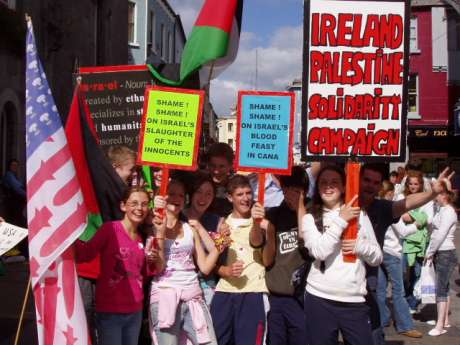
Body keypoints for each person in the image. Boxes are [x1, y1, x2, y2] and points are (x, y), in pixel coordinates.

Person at [358, 163, 454, 345]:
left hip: (366, 282)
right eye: (366, 180)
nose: (370, 185)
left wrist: (433, 194)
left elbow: (407, 203)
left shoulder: (382, 207)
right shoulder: (345, 202)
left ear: (380, 187)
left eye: (375, 182)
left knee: (373, 334)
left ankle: (399, 324)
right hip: (337, 289)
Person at [302, 165, 382, 345]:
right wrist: (341, 220)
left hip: (354, 300)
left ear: (344, 187)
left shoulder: (359, 214)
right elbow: (319, 251)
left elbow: (377, 257)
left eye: (334, 182)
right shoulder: (309, 217)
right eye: (323, 182)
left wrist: (360, 246)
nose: (328, 186)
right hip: (319, 298)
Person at [75, 187, 163, 345]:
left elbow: (143, 273)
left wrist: (152, 260)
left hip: (135, 311)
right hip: (110, 311)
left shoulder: (143, 238)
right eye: (134, 203)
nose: (139, 208)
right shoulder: (110, 229)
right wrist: (66, 234)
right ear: (123, 206)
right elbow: (85, 254)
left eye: (144, 204)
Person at [149, 179, 219, 344]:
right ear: (162, 198)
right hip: (164, 298)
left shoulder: (190, 228)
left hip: (193, 298)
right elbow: (158, 268)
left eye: (181, 195)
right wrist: (159, 232)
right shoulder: (152, 224)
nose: (176, 198)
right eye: (171, 194)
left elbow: (205, 267)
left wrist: (220, 244)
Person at [210, 175, 270, 345]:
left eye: (248, 193)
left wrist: (258, 224)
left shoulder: (261, 221)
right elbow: (211, 261)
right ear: (230, 197)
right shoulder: (221, 223)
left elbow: (261, 249)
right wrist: (225, 270)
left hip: (253, 292)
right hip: (224, 292)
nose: (246, 198)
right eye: (240, 194)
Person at [262, 166, 309, 345]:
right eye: (287, 190)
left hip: (301, 298)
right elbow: (266, 257)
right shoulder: (273, 214)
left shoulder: (311, 212)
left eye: (297, 191)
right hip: (276, 295)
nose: (291, 196)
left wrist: (300, 207)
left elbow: (308, 246)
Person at [376, 181, 423, 338]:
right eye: (392, 193)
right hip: (392, 252)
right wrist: (417, 224)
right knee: (399, 291)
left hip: (380, 251)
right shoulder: (389, 208)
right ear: (388, 193)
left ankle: (382, 319)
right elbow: (402, 231)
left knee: (381, 290)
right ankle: (405, 325)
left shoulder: (376, 206)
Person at [182, 172, 224, 307]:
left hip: (206, 284)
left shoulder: (218, 220)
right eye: (199, 192)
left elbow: (218, 250)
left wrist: (200, 227)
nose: (203, 198)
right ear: (191, 194)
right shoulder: (179, 216)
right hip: (181, 282)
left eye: (208, 194)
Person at [425, 180, 458, 336]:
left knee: (441, 290)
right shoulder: (442, 209)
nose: (434, 196)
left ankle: (440, 325)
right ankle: (443, 320)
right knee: (443, 288)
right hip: (443, 252)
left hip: (445, 252)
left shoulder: (449, 211)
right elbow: (433, 226)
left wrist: (430, 252)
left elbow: (439, 235)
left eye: (436, 193)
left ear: (443, 194)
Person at [400, 170, 433, 313]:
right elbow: (399, 216)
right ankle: (406, 298)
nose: (413, 186)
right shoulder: (401, 197)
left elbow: (429, 219)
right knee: (402, 274)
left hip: (421, 242)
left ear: (420, 184)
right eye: (411, 183)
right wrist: (419, 217)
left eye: (416, 183)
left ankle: (413, 302)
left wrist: (411, 215)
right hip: (403, 240)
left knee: (418, 273)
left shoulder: (426, 198)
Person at [206, 143, 234, 217]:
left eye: (221, 166)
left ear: (230, 166)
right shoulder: (199, 185)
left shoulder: (236, 187)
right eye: (213, 165)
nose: (216, 171)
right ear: (208, 165)